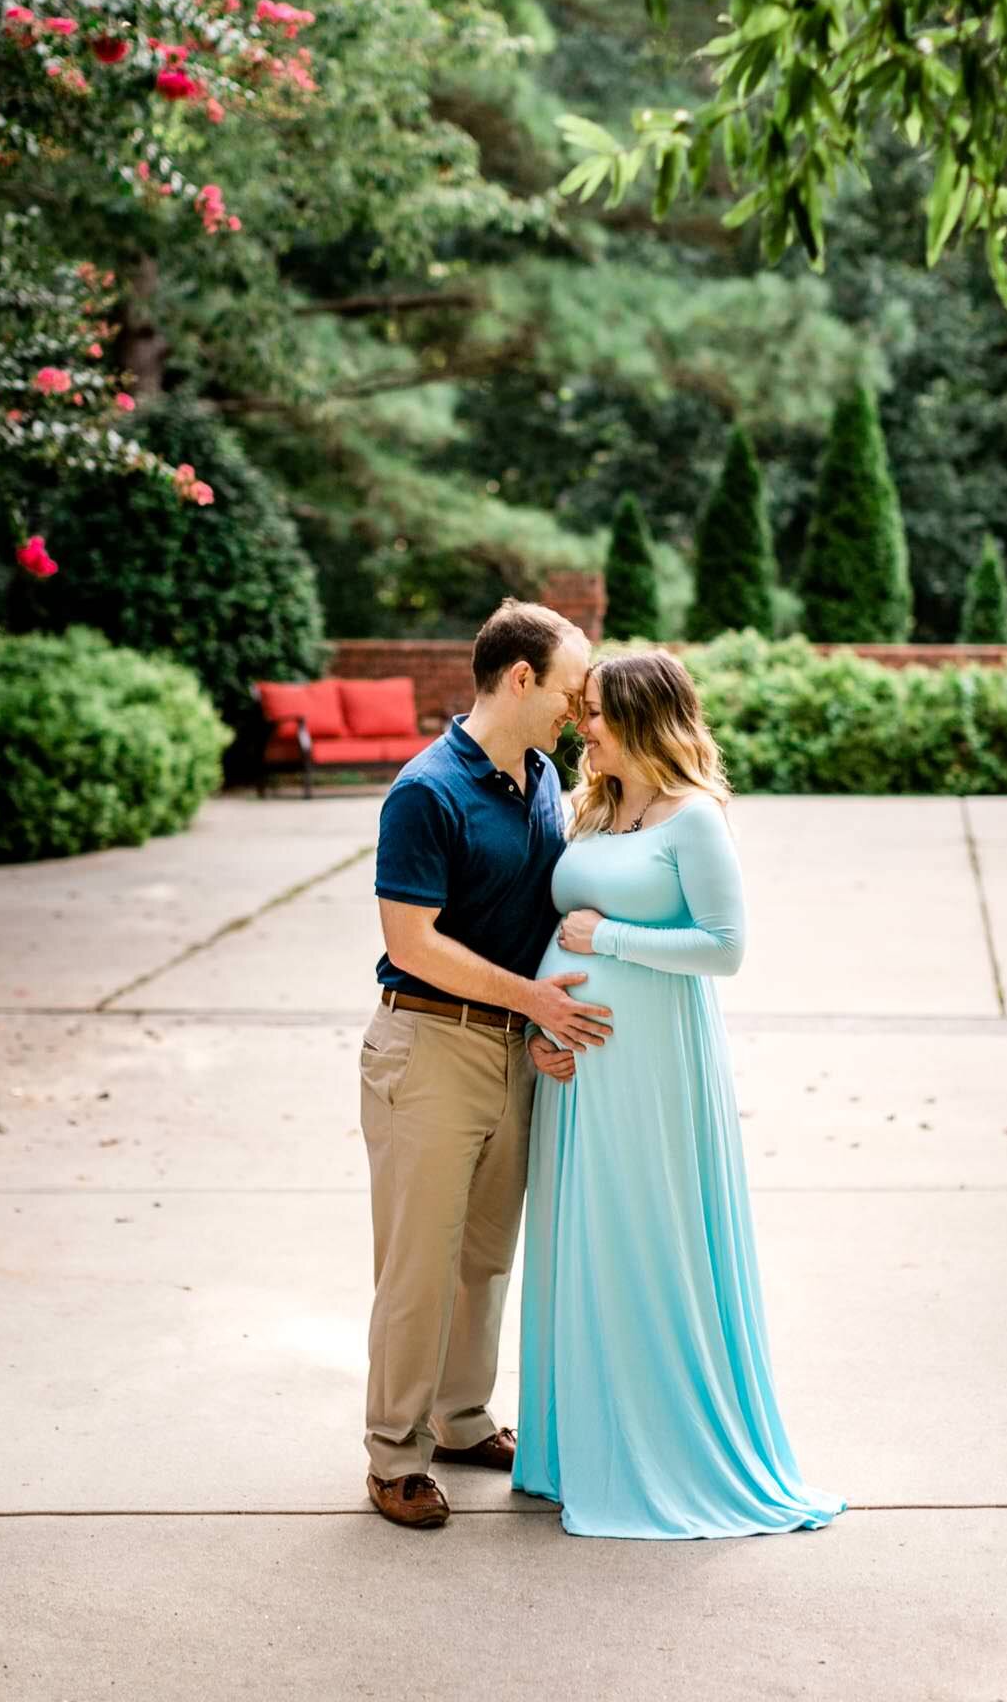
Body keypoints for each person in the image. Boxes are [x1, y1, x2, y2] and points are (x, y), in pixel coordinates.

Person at [515, 648, 846, 1539]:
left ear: (638, 718)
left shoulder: (693, 819)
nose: (582, 728)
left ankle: (660, 1448)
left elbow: (724, 948)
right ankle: (578, 1446)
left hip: (651, 1065)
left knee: (642, 1236)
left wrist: (610, 941)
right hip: (578, 1070)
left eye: (595, 714)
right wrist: (544, 1031)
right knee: (580, 1241)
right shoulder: (597, 806)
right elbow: (559, 928)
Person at [361, 599, 612, 1530]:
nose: (581, 710)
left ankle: (461, 1420)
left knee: (483, 1260)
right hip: (427, 1045)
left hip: (513, 1048)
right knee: (417, 1266)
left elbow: (536, 914)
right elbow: (411, 942)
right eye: (570, 689)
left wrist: (542, 1011)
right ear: (520, 679)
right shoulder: (426, 791)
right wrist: (535, 1000)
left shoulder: (542, 776)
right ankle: (393, 1456)